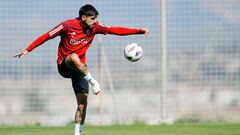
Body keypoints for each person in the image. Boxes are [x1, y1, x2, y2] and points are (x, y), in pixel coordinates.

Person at [13, 4, 149, 135]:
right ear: (84, 17)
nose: (95, 21)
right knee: (73, 57)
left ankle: (77, 133)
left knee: (82, 105)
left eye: (95, 19)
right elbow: (46, 36)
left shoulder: (95, 27)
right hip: (64, 65)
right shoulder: (66, 26)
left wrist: (139, 30)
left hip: (80, 70)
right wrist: (27, 49)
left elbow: (116, 30)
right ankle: (93, 81)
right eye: (92, 19)